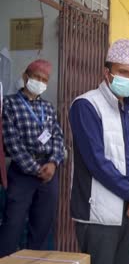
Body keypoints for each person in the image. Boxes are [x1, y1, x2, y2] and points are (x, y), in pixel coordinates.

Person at [69, 39, 129, 264]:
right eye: (123, 72)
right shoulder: (86, 105)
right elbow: (97, 163)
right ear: (107, 72)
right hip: (98, 216)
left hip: (128, 212)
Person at [0, 59, 65, 256]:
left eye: (44, 79)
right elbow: (12, 142)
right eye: (36, 77)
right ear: (25, 77)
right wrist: (36, 169)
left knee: (43, 226)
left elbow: (58, 137)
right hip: (22, 173)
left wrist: (53, 162)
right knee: (13, 224)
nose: (40, 82)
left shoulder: (48, 108)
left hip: (49, 172)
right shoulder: (9, 104)